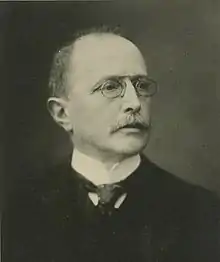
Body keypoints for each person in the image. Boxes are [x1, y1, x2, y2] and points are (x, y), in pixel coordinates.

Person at [3, 26, 220, 262]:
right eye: (110, 87)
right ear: (62, 113)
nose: (134, 103)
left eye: (141, 86)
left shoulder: (201, 211)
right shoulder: (21, 210)